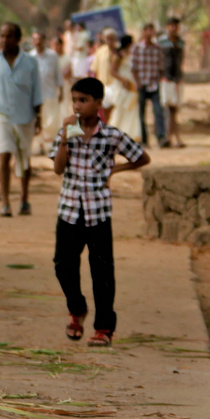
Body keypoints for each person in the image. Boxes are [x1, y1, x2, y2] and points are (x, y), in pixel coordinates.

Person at [50, 77, 150, 348]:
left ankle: (104, 328)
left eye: (83, 100)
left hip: (98, 211)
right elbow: (58, 169)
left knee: (102, 270)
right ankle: (77, 307)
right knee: (63, 264)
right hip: (70, 209)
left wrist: (115, 170)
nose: (78, 106)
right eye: (75, 100)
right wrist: (64, 137)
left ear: (98, 103)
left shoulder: (112, 136)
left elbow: (141, 157)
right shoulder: (68, 131)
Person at [0, 21, 45, 217]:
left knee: (24, 159)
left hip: (25, 117)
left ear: (18, 39)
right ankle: (5, 203)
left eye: (9, 35)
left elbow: (37, 91)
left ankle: (24, 199)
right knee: (3, 156)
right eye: (2, 35)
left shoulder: (30, 62)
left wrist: (39, 118)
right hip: (1, 116)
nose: (5, 39)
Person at [129, 22, 166, 147]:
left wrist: (159, 79)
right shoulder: (136, 48)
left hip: (154, 85)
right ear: (143, 32)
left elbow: (161, 67)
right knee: (141, 114)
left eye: (152, 30)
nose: (150, 33)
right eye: (148, 30)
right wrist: (138, 82)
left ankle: (161, 137)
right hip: (142, 85)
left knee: (158, 111)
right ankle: (144, 139)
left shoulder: (157, 48)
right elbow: (133, 68)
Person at [28, 29, 63, 153]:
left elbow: (58, 74)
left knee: (51, 121)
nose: (38, 42)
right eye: (35, 40)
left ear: (44, 41)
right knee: (36, 121)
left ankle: (50, 147)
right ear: (32, 42)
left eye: (40, 40)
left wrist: (61, 90)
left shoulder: (52, 56)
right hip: (35, 96)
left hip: (50, 93)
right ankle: (38, 147)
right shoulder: (29, 57)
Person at [158, 16, 186, 148]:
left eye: (176, 25)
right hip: (166, 78)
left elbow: (181, 59)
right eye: (171, 25)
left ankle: (172, 137)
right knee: (169, 108)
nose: (174, 28)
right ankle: (173, 137)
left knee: (174, 109)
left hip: (177, 78)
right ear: (168, 26)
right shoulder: (161, 42)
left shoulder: (181, 42)